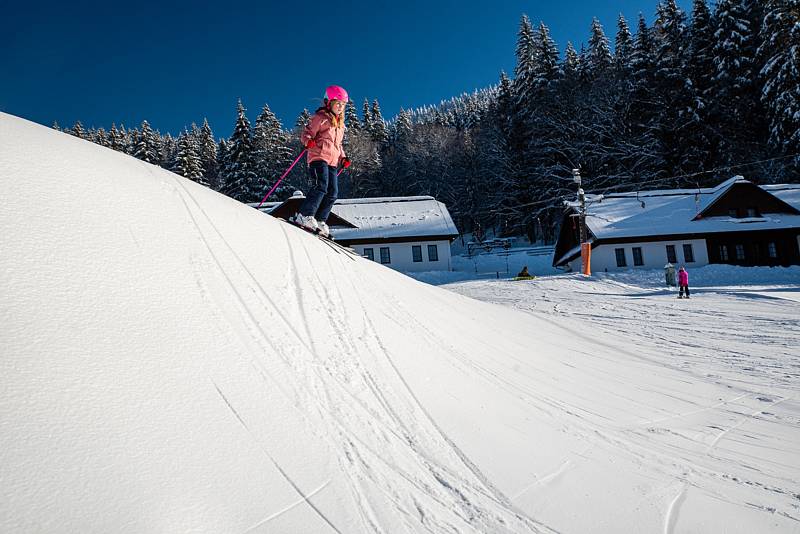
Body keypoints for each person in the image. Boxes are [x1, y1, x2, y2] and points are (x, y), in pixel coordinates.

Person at [290, 85, 351, 238]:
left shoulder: (340, 125)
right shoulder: (320, 118)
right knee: (321, 186)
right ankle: (304, 215)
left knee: (333, 192)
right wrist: (308, 141)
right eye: (338, 103)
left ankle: (320, 220)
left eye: (343, 105)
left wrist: (342, 157)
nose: (340, 107)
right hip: (318, 157)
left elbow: (338, 145)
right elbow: (307, 133)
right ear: (328, 102)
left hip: (332, 161)